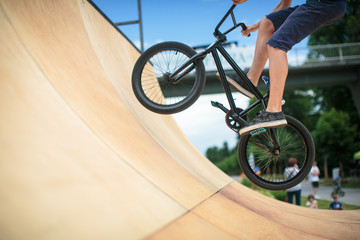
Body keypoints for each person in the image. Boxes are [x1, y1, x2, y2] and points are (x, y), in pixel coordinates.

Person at [230, 0, 347, 135]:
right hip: (318, 4)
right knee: (266, 23)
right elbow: (284, 4)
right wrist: (258, 25)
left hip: (326, 4)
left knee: (276, 45)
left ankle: (274, 110)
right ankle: (251, 80)